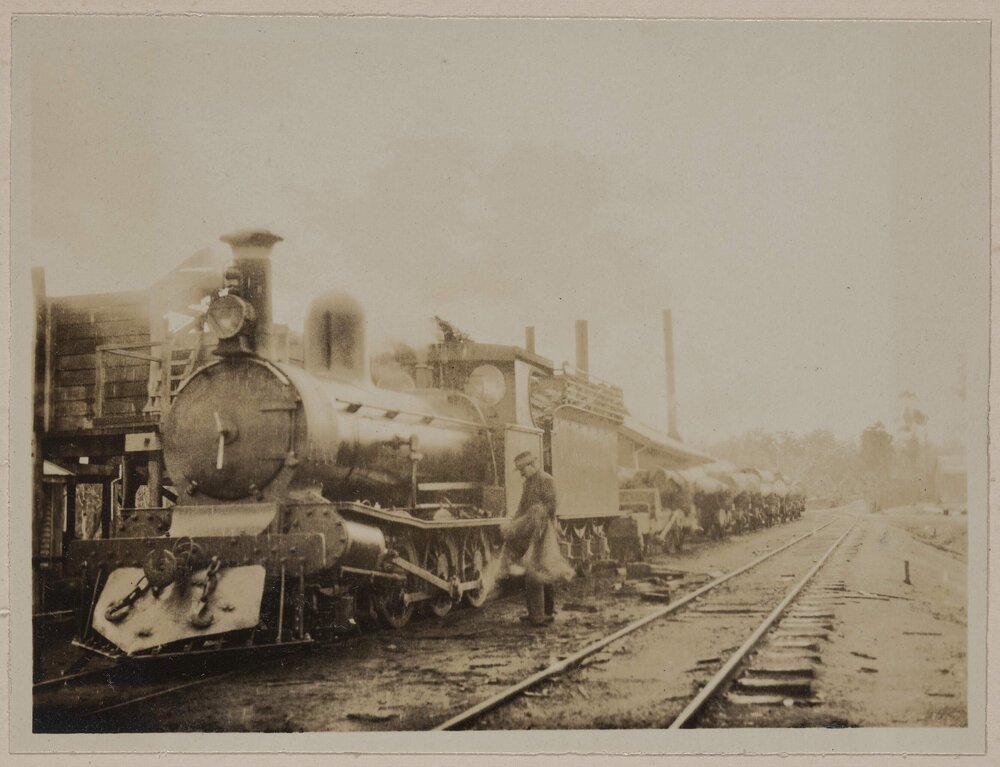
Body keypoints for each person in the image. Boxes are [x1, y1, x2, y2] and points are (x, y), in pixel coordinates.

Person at [512, 450, 560, 627]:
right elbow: (522, 506)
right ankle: (546, 611)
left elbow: (551, 506)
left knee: (534, 572)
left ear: (531, 465)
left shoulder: (547, 480)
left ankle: (538, 616)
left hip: (543, 529)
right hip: (533, 529)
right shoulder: (529, 482)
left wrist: (538, 521)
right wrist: (514, 523)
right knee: (543, 570)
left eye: (522, 469)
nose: (521, 474)